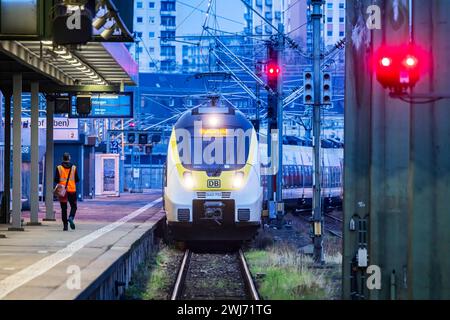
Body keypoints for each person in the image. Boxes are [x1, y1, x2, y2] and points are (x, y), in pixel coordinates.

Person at [54, 152, 80, 231]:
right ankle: (71, 217)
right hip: (72, 190)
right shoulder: (74, 168)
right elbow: (77, 179)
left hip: (62, 191)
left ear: (63, 158)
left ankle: (65, 226)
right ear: (69, 158)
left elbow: (56, 179)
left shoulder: (59, 168)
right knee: (74, 206)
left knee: (64, 208)